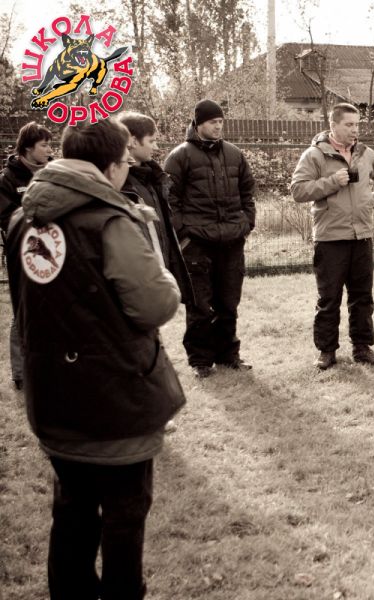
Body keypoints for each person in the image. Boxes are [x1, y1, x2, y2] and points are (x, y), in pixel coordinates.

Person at [4, 118, 185, 599]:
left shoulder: (23, 219)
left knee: (71, 511)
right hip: (115, 398)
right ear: (109, 167)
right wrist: (153, 255)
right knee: (124, 515)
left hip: (53, 396)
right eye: (126, 162)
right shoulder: (110, 221)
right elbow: (156, 305)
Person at [290, 103, 374, 369]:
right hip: (330, 239)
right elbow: (298, 190)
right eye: (349, 125)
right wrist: (331, 183)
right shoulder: (315, 155)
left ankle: (362, 348)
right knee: (329, 299)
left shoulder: (366, 153)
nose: (354, 130)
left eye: (357, 124)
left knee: (362, 297)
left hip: (362, 236)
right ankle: (326, 351)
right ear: (333, 125)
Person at [163, 99, 256, 378]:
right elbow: (169, 200)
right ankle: (200, 360)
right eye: (213, 122)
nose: (218, 126)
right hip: (197, 244)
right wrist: (184, 235)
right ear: (199, 124)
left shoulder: (235, 154)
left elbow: (248, 192)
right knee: (200, 305)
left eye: (220, 122)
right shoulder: (179, 157)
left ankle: (229, 355)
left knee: (228, 302)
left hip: (232, 241)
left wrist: (246, 224)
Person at [119, 111, 193, 304]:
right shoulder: (120, 184)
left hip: (156, 277)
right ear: (133, 141)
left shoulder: (153, 180)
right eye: (151, 141)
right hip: (136, 281)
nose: (156, 147)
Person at [0, 121, 53, 390]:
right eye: (44, 145)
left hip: (54, 250)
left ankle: (50, 367)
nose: (50, 150)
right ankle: (21, 374)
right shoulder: (8, 179)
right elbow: (6, 218)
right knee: (23, 309)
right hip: (23, 252)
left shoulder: (53, 172)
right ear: (28, 148)